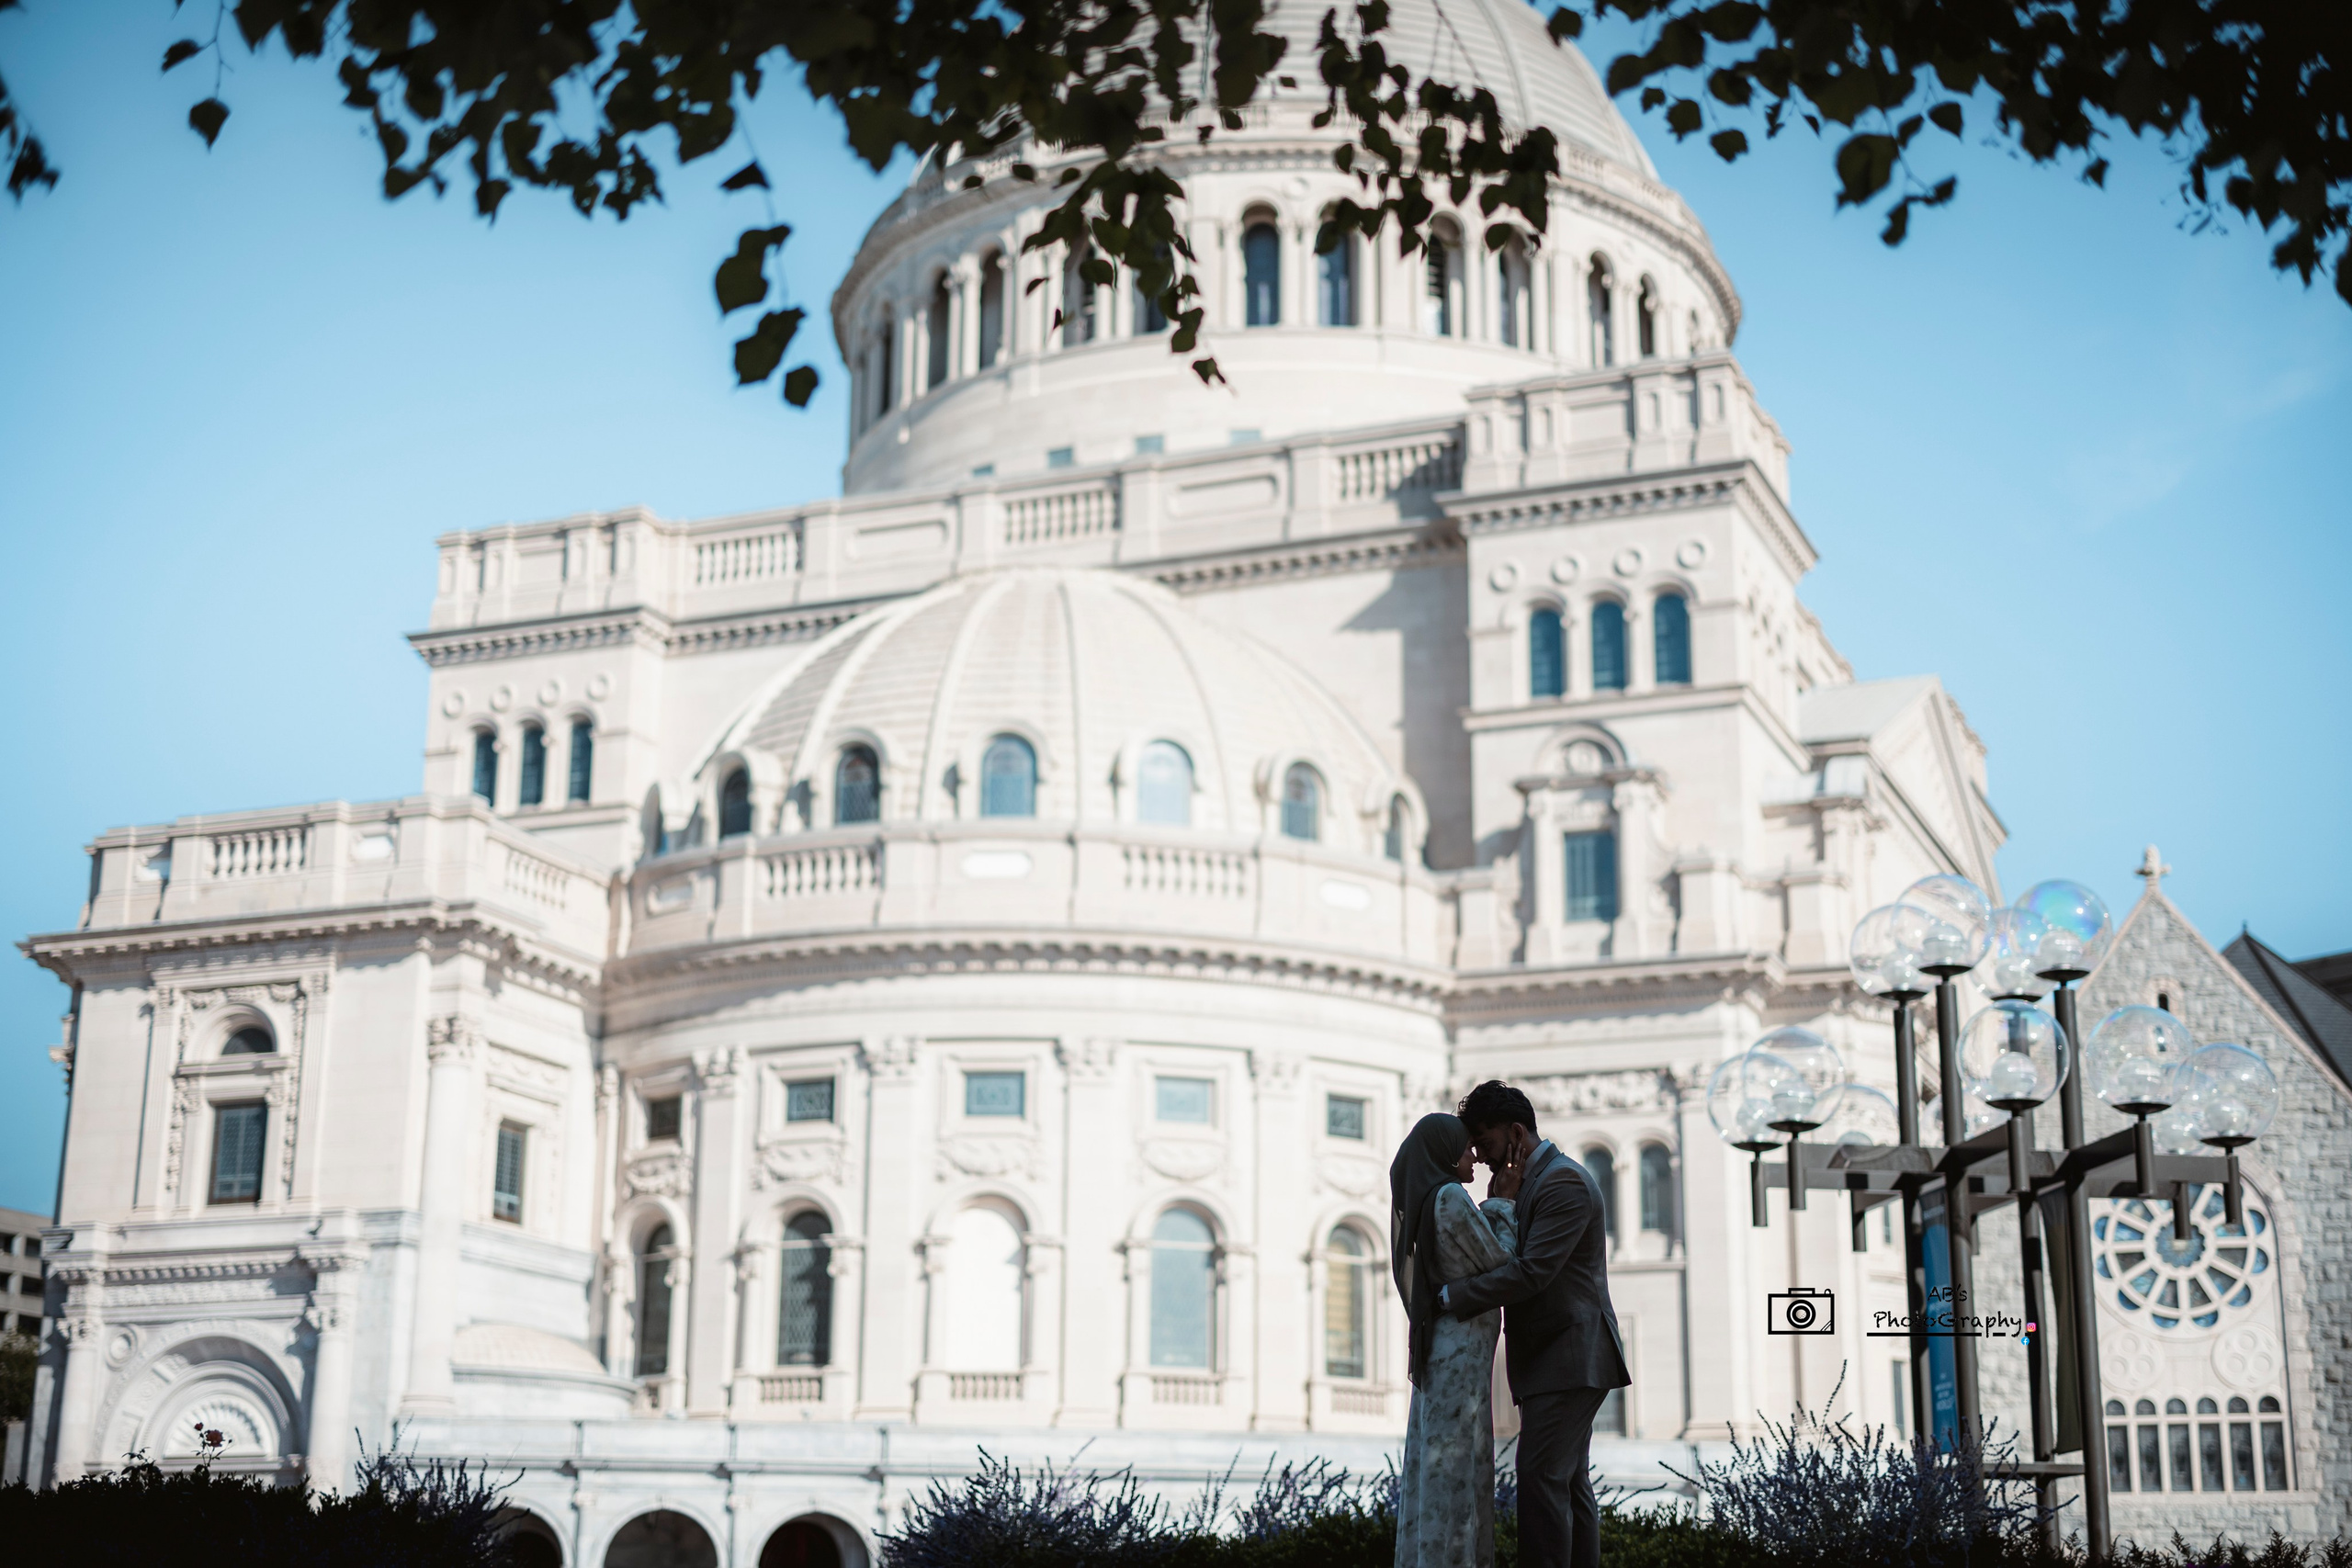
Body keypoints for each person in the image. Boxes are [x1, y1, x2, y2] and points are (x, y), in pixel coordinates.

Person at [1441, 1081, 1630, 1568]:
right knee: (1566, 1483)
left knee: (1542, 1480)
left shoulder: (1562, 1182)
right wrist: (1500, 1200)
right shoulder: (1531, 1182)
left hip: (1570, 1357)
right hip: (1557, 1359)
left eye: (1484, 1143)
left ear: (1517, 1132)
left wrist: (1451, 1296)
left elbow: (1532, 1273)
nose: (1479, 1157)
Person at [1389, 1111, 1518, 1568]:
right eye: (1465, 1148)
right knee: (1454, 1477)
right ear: (1444, 1153)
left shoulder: (1430, 1199)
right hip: (1459, 1358)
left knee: (1439, 1474)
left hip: (1448, 1354)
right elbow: (1501, 1262)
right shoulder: (1449, 1197)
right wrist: (1502, 1203)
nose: (1475, 1158)